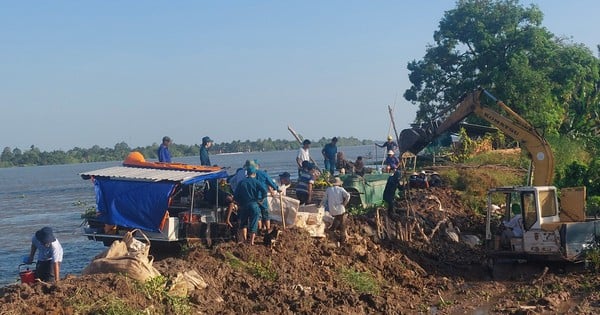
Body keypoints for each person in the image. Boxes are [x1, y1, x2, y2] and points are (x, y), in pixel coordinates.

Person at [234, 166, 268, 245]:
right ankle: (251, 242)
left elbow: (235, 196)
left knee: (244, 223)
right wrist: (262, 200)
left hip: (244, 206)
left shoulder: (241, 182)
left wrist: (239, 203)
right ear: (254, 173)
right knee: (254, 223)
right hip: (254, 204)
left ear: (247, 173)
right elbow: (264, 192)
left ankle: (245, 240)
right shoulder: (256, 182)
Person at [321, 177, 351, 242]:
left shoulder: (328, 189)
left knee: (338, 219)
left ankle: (333, 231)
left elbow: (324, 199)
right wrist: (345, 203)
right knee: (342, 223)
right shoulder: (341, 189)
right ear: (339, 184)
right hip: (340, 208)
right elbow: (348, 196)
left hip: (332, 209)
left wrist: (320, 205)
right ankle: (342, 237)